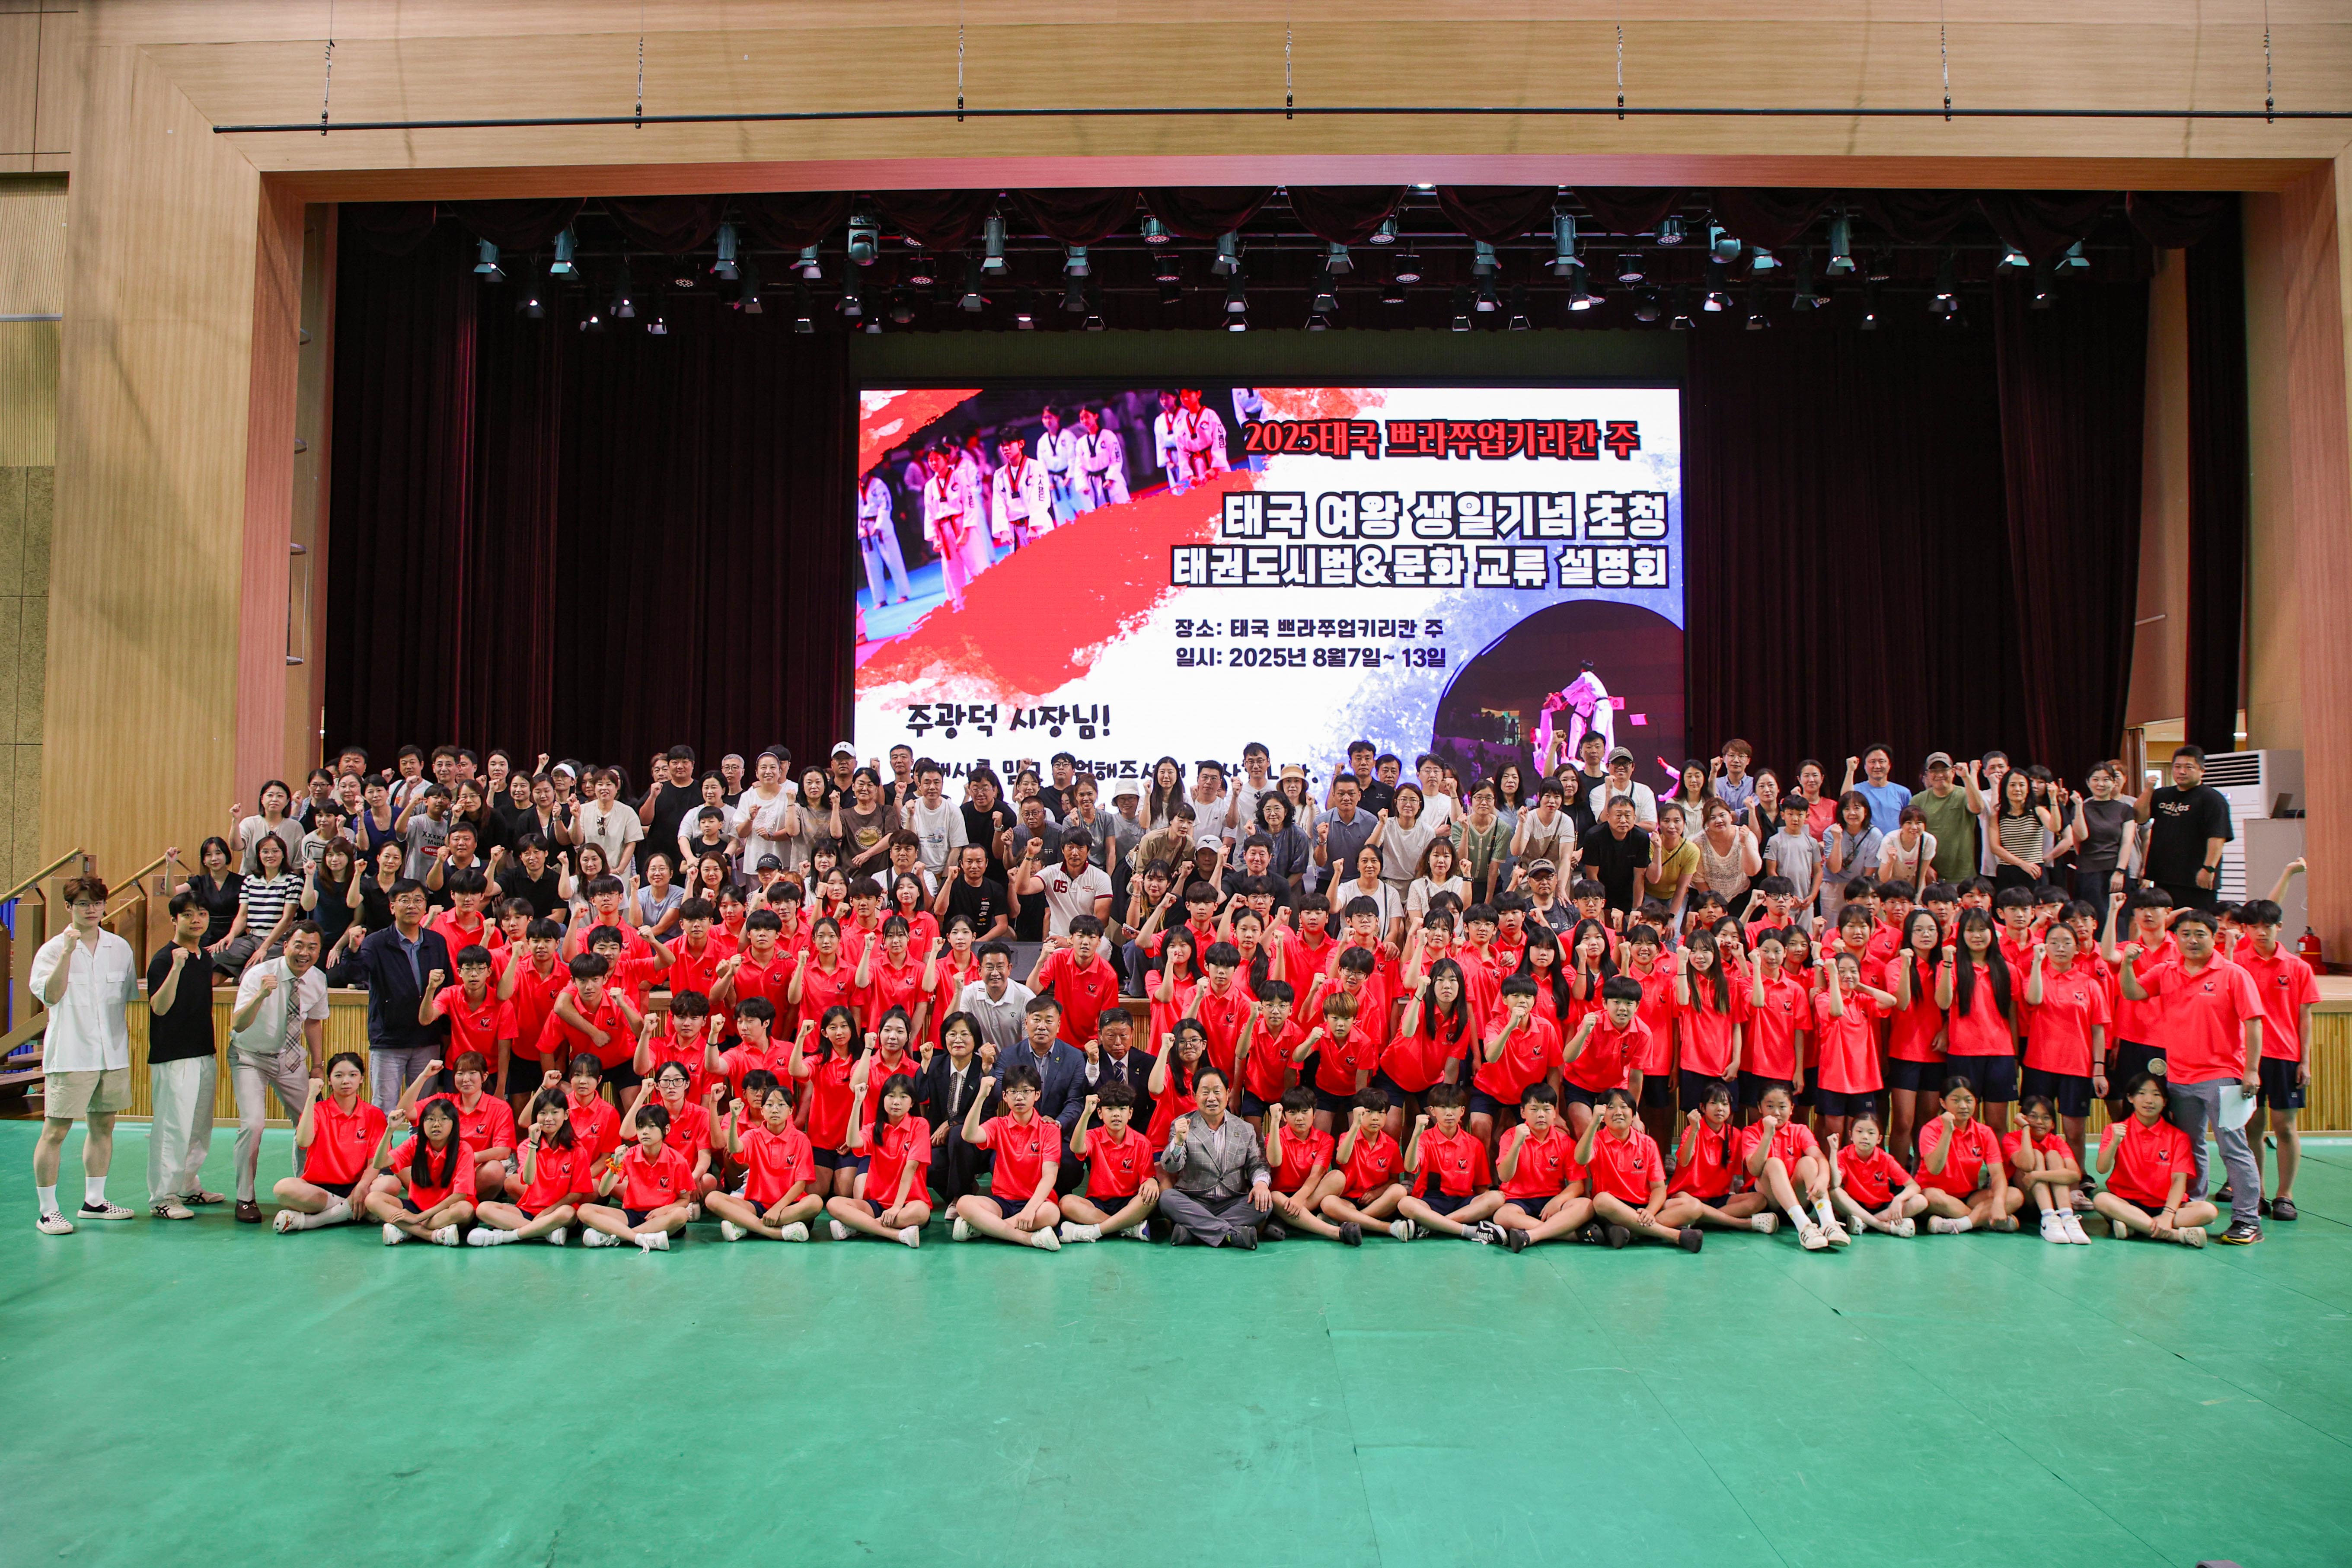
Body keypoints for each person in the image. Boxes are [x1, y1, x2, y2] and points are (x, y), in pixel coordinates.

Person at [2117, 905, 2264, 1244]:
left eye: (2200, 934)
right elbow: (2132, 992)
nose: (2192, 940)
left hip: (2223, 1075)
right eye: (2185, 934)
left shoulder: (2233, 974)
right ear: (2176, 938)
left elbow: (2253, 1022)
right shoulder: (2165, 971)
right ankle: (2192, 1206)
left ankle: (2247, 1219)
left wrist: (2251, 1070)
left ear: (2213, 938)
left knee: (2232, 1147)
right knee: (2189, 1146)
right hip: (2179, 1077)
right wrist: (2126, 964)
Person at [29, 877, 139, 1235]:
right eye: (82, 903)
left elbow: (127, 997)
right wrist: (67, 952)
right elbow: (51, 996)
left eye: (96, 902)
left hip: (112, 1053)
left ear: (104, 905)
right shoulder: (51, 950)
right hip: (71, 1054)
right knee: (55, 1131)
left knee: (103, 1125)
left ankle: (94, 1201)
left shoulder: (120, 947)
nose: (91, 909)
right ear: (69, 908)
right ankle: (48, 1211)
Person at [223, 920, 333, 1223]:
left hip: (290, 1058)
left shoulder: (318, 979)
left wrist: (318, 1066)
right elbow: (238, 1025)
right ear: (285, 946)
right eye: (298, 945)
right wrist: (260, 995)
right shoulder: (258, 975)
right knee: (253, 1124)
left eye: (312, 947)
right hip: (250, 1057)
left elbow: (314, 1022)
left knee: (311, 1123)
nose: (304, 952)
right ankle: (245, 1198)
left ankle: (305, 1190)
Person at [2234, 891, 2318, 1221]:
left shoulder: (2298, 967)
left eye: (2267, 925)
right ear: (2245, 929)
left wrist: (2304, 1061)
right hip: (2245, 1059)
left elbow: (2304, 1017)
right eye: (2253, 926)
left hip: (2284, 1057)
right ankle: (2256, 1193)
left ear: (2279, 927)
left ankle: (2285, 1195)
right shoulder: (2236, 964)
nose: (2260, 932)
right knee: (2251, 1127)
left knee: (2285, 1127)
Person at [143, 891, 225, 1221]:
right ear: (174, 920)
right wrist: (177, 967)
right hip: (173, 1056)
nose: (196, 920)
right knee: (172, 1128)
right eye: (188, 914)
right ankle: (163, 1197)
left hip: (203, 1051)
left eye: (201, 913)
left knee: (198, 1127)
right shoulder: (164, 960)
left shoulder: (204, 957)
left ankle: (188, 1184)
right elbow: (159, 1007)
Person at [1151, 1063, 1275, 1248]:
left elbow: (1257, 1164)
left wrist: (1261, 1184)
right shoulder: (1182, 1124)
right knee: (1168, 1199)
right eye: (1205, 1092)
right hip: (1195, 1201)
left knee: (1265, 1203)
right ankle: (1230, 1234)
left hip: (1232, 1201)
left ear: (1228, 1093)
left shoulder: (1245, 1129)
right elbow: (1172, 1167)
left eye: (1217, 1092)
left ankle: (1194, 1233)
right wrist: (1178, 1142)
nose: (1212, 1098)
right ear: (1195, 1096)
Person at [356, 879, 454, 1111]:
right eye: (405, 900)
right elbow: (354, 973)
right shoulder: (376, 942)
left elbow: (447, 989)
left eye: (418, 900)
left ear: (425, 906)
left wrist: (445, 1033)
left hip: (427, 1040)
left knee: (423, 1109)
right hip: (389, 1041)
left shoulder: (437, 942)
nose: (412, 905)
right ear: (392, 907)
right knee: (384, 1107)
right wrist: (352, 950)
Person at [2092, 1072, 2217, 1245]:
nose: (2149, 1100)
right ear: (2130, 1098)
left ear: (2165, 1102)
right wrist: (2114, 1143)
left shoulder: (2178, 1137)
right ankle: (2174, 1235)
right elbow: (2102, 1169)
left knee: (2208, 1211)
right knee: (2101, 1200)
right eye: (2142, 1094)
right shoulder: (2115, 1130)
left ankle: (2136, 1226)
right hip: (2127, 1203)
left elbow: (2179, 1181)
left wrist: (2167, 1215)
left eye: (2157, 1095)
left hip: (2166, 1205)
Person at [954, 1062, 1065, 1250]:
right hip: (1002, 1201)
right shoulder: (998, 1124)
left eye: (1026, 1091)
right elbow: (969, 1135)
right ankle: (1026, 1238)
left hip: (1037, 1202)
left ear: (1037, 1095)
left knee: (1052, 1214)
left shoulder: (1049, 1130)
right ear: (1005, 1097)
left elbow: (1050, 1176)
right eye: (1013, 1092)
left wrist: (1030, 1209)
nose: (1019, 1097)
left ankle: (986, 1228)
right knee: (964, 1203)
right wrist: (981, 1097)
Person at [467, 1086, 587, 1246]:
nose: (549, 1118)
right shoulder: (526, 1146)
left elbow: (577, 1193)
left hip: (558, 1212)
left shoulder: (577, 1149)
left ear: (566, 1115)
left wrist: (547, 1212)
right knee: (483, 1209)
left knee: (568, 1213)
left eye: (555, 1112)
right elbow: (528, 1180)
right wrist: (533, 1144)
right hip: (529, 1211)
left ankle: (509, 1236)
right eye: (543, 1113)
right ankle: (544, 1233)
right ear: (536, 1117)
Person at [828, 1070, 932, 1245]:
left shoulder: (920, 1125)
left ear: (912, 1102)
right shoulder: (874, 1128)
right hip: (876, 1204)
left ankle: (859, 1227)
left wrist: (897, 1207)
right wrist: (857, 1103)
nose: (896, 1102)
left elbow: (911, 1168)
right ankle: (896, 1235)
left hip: (907, 1203)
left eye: (903, 1097)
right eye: (891, 1096)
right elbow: (852, 1142)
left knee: (921, 1212)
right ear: (883, 1100)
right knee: (834, 1204)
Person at [1490, 1083, 1596, 1250]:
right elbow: (1504, 1176)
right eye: (1534, 1109)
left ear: (1554, 1113)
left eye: (1547, 1109)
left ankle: (1531, 1235)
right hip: (1518, 1201)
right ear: (1523, 1112)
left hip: (1553, 1200)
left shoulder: (1566, 1142)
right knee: (1502, 1216)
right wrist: (1517, 1144)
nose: (1541, 1115)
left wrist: (1558, 1200)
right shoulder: (1510, 1137)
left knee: (1586, 1205)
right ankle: (1567, 1234)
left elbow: (1577, 1185)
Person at [578, 1101, 695, 1251]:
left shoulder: (678, 1161)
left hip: (661, 1218)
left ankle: (618, 1236)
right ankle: (639, 1238)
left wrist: (663, 1211)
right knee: (585, 1210)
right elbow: (603, 1191)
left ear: (666, 1129)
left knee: (681, 1214)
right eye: (640, 1127)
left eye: (651, 1126)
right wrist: (615, 1165)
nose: (645, 1132)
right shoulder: (629, 1156)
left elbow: (684, 1200)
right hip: (631, 1215)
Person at [1393, 1084, 1503, 1242]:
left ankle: (1433, 1225)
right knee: (1405, 1203)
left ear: (1463, 1111)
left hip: (1462, 1202)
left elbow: (1480, 1187)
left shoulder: (1474, 1145)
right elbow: (1410, 1167)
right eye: (1443, 1107)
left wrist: (1491, 1199)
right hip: (1431, 1201)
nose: (1449, 1113)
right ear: (1433, 1111)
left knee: (1496, 1198)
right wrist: (1416, 1134)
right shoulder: (1425, 1138)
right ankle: (1467, 1231)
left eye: (1454, 1107)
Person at [361, 1096, 476, 1246]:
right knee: (372, 1199)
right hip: (417, 1207)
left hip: (445, 1211)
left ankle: (407, 1231)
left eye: (444, 1119)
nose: (436, 1124)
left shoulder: (463, 1149)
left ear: (454, 1123)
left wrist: (418, 1218)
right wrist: (390, 1129)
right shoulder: (415, 1143)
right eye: (430, 1119)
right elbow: (379, 1163)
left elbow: (460, 1195)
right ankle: (430, 1235)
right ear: (422, 1123)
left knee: (465, 1209)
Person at [1913, 1080, 2023, 1235]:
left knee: (2015, 1196)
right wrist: (1947, 1131)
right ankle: (1985, 1220)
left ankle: (1961, 1224)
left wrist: (1999, 1203)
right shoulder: (1930, 1129)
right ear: (1943, 1103)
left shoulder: (1984, 1132)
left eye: (1969, 1100)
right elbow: (1934, 1169)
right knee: (1930, 1197)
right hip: (1937, 1195)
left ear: (1976, 1102)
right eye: (1956, 1100)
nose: (1963, 1106)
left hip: (1970, 1196)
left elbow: (1998, 1175)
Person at [2135, 744, 2232, 911]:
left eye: (2189, 767)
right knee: (2166, 922)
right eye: (2177, 767)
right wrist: (2148, 790)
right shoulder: (2162, 795)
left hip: (2195, 878)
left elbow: (2218, 837)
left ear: (2202, 771)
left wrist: (2209, 868)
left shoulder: (2212, 799)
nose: (2182, 772)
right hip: (2163, 876)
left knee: (2194, 921)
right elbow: (2140, 817)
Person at [1827, 1111, 1926, 1236]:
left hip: (1882, 1208)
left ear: (1879, 1139)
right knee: (1834, 1192)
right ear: (1851, 1135)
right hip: (1854, 1206)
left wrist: (1899, 1199)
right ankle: (1882, 1226)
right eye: (1860, 1131)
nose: (1865, 1137)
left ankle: (1866, 1224)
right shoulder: (1843, 1155)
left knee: (1921, 1201)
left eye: (1871, 1133)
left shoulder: (1886, 1159)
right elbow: (1835, 1183)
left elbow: (1914, 1186)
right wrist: (1833, 1151)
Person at [858, 467, 914, 605]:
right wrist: (860, 529)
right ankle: (880, 599)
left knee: (894, 561)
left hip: (882, 528)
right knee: (872, 567)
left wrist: (878, 526)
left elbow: (886, 505)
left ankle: (903, 593)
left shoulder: (878, 484)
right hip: (866, 530)